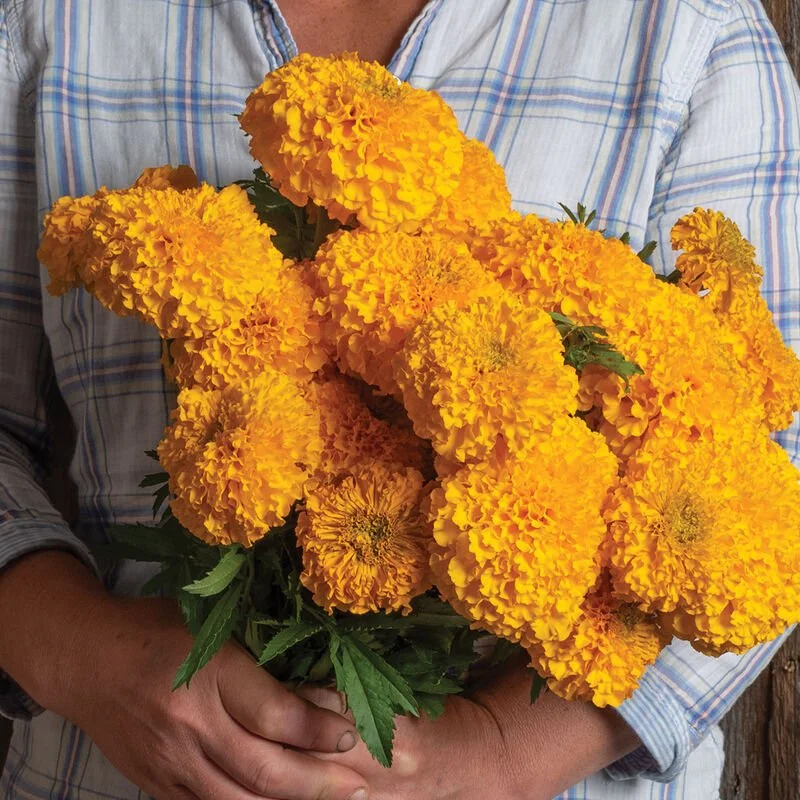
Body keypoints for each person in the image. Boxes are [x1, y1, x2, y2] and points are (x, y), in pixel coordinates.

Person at [0, 0, 797, 798]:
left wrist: (499, 753)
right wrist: (83, 656)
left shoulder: (692, 33)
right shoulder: (49, 19)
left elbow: (783, 496)